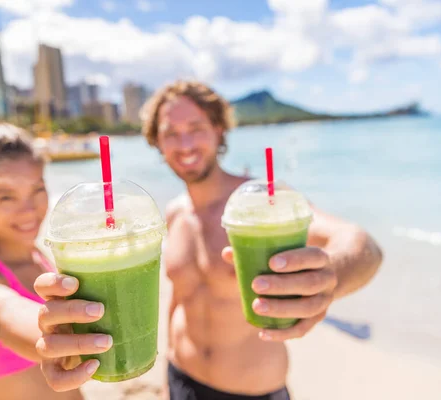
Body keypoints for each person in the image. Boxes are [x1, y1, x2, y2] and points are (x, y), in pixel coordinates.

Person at [33, 81, 383, 399]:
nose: (184, 144)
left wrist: (329, 278)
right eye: (171, 133)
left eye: (196, 129)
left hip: (253, 391)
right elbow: (177, 300)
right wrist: (165, 374)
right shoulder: (169, 215)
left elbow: (361, 244)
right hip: (181, 381)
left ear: (218, 130)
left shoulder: (257, 206)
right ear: (157, 141)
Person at [0, 122, 109, 400]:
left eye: (37, 189)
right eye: (6, 196)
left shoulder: (45, 261)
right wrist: (53, 338)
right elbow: (2, 316)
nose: (29, 209)